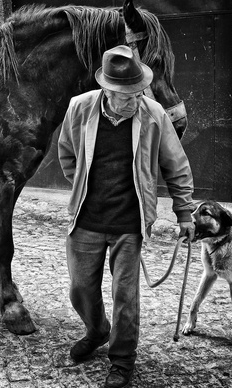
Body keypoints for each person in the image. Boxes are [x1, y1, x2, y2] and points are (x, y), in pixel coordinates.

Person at [57, 45, 195, 388]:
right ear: (106, 89)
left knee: (126, 297)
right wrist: (82, 187)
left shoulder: (154, 114)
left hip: (129, 224)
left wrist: (184, 213)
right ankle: (97, 329)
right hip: (85, 219)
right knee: (80, 288)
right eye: (124, 95)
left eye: (137, 92)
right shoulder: (80, 108)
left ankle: (122, 360)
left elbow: (175, 165)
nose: (133, 100)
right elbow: (67, 155)